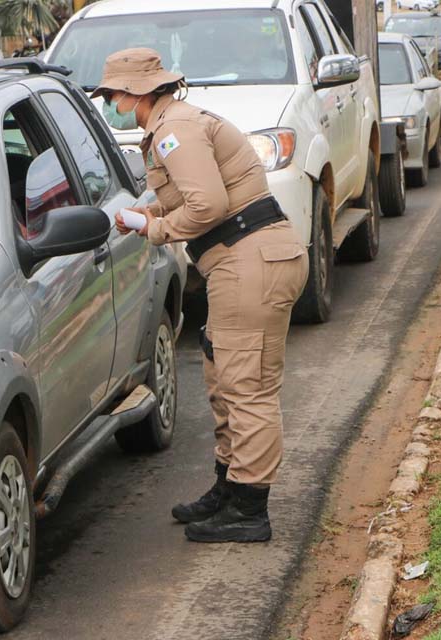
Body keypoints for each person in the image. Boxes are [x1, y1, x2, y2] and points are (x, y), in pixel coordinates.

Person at [94, 48, 308, 543]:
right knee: (224, 374)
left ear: (136, 93)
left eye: (114, 94)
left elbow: (207, 204)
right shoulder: (175, 124)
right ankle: (229, 489)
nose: (112, 102)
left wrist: (156, 229)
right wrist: (151, 216)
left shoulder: (176, 130)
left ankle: (249, 510)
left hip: (249, 260)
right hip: (241, 259)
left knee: (247, 386)